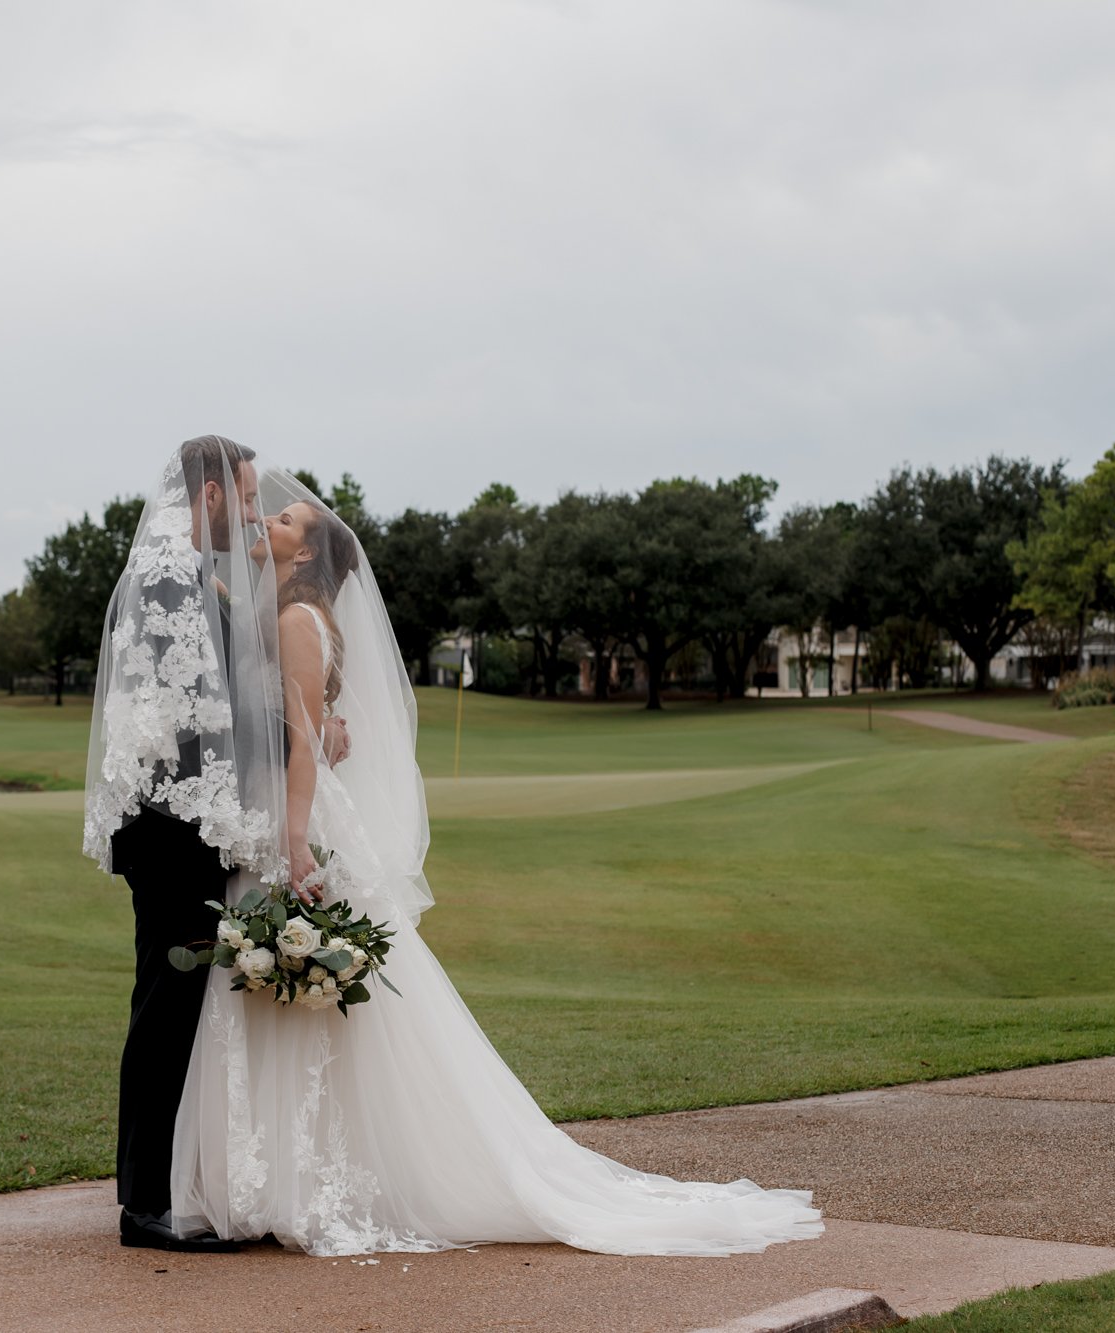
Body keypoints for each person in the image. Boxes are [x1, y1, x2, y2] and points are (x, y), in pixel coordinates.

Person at [163, 469, 826, 1257]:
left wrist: (297, 836)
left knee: (305, 998)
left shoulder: (298, 620)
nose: (266, 521)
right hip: (279, 813)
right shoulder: (281, 612)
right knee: (284, 997)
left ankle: (311, 1174)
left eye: (284, 521)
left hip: (297, 823)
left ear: (305, 556)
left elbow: (305, 738)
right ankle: (276, 1169)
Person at [83, 436, 347, 1253]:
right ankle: (145, 1207)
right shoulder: (169, 574)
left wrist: (300, 723)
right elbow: (191, 717)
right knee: (166, 1005)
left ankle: (152, 1190)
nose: (249, 508)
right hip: (172, 830)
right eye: (241, 493)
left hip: (177, 827)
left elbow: (222, 699)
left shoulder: (190, 571)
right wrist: (283, 740)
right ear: (207, 497)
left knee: (167, 1003)